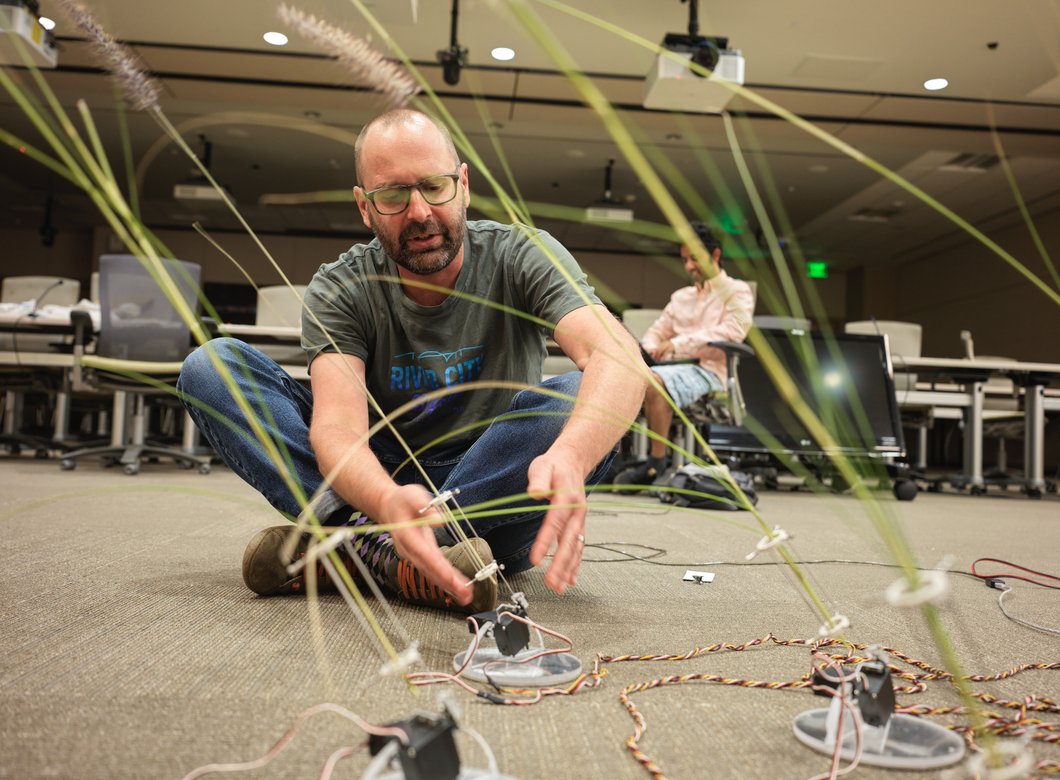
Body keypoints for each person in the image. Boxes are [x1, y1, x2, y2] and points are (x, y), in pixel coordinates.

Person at [177, 108, 646, 615]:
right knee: (212, 366)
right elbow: (337, 428)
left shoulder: (520, 254)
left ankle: (354, 548)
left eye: (434, 187)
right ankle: (390, 550)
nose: (419, 211)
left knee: (581, 401)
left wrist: (571, 455)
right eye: (393, 195)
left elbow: (618, 356)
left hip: (489, 488)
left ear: (463, 184)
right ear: (365, 206)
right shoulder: (342, 286)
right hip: (378, 480)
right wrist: (382, 502)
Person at [614, 222, 754, 487]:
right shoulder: (681, 297)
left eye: (695, 259)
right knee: (623, 375)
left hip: (709, 370)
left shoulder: (737, 291)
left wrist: (678, 344)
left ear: (715, 255)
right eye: (685, 260)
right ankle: (619, 458)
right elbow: (657, 331)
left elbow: (732, 332)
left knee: (654, 380)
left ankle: (656, 463)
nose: (689, 266)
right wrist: (654, 346)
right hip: (670, 366)